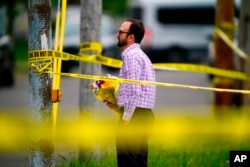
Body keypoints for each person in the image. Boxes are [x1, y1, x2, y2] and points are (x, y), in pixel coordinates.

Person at [105, 18, 156, 167]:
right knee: (139, 161)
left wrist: (126, 119)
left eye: (121, 32)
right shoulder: (141, 56)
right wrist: (115, 100)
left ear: (131, 37)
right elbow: (134, 88)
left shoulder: (131, 57)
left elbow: (134, 90)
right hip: (143, 115)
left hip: (134, 117)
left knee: (127, 162)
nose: (117, 34)